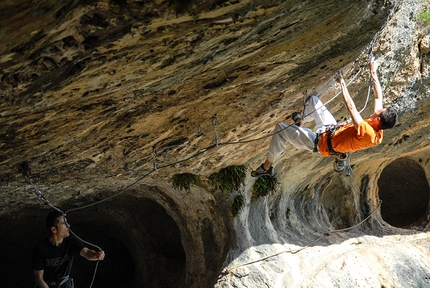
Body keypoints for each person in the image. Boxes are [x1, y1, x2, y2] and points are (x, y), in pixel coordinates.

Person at [251, 57, 398, 177]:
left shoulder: (369, 133)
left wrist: (342, 84)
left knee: (280, 129)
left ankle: (267, 166)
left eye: (380, 111)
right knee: (313, 101)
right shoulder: (379, 127)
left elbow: (351, 107)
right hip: (330, 127)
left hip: (319, 143)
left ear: (378, 119)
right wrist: (373, 71)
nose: (378, 109)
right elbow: (378, 96)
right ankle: (300, 123)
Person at [31, 210, 105, 288]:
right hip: (47, 285)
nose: (68, 225)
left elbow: (86, 252)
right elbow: (38, 277)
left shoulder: (71, 240)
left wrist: (96, 255)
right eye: (64, 223)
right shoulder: (41, 248)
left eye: (67, 222)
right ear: (54, 230)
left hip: (64, 284)